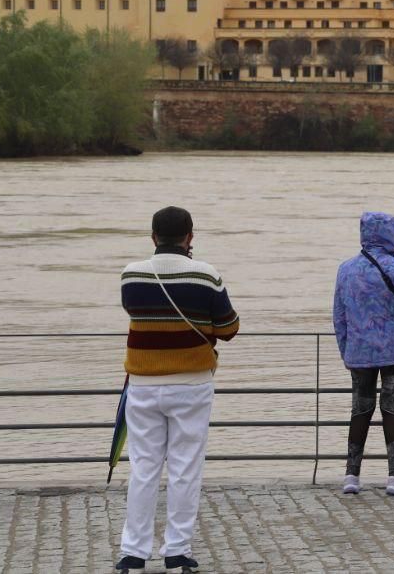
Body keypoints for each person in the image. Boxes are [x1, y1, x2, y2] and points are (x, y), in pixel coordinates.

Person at [115, 207, 240, 574]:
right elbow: (229, 328)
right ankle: (177, 553)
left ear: (153, 236)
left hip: (142, 384)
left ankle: (133, 554)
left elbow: (133, 311)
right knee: (185, 467)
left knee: (143, 468)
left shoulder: (131, 273)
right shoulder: (208, 275)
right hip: (191, 383)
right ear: (190, 238)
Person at [333, 211, 394, 496]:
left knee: (360, 408)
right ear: (391, 237)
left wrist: (347, 351)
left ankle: (351, 475)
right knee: (393, 409)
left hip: (359, 352)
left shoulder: (346, 269)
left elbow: (339, 316)